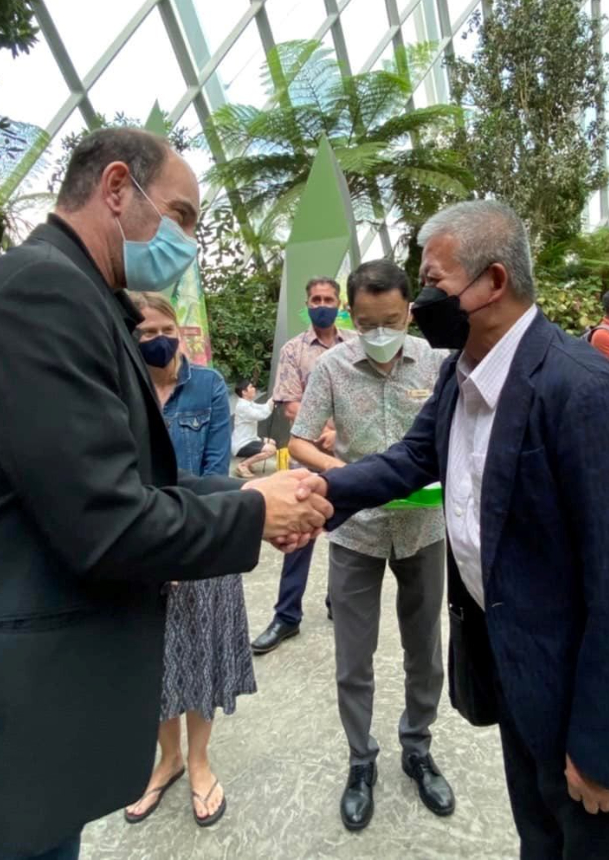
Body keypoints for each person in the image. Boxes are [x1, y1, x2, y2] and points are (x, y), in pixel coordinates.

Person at [0, 127, 330, 860]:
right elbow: (105, 521)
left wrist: (252, 493)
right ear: (115, 188)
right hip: (2, 707)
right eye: (181, 215)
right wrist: (253, 511)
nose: (187, 241)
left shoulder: (74, 293)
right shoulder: (42, 294)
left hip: (25, 699)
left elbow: (117, 478)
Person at [313, 202, 609, 859]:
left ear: (493, 282)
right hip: (528, 686)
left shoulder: (585, 393)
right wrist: (319, 495)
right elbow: (412, 458)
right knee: (541, 844)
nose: (423, 302)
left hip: (599, 718)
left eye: (434, 282)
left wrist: (606, 747)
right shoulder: (463, 375)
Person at [288, 259, 454, 833]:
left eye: (391, 321)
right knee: (353, 657)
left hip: (423, 529)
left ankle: (418, 748)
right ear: (350, 317)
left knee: (424, 649)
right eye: (365, 324)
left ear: (410, 311)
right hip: (356, 530)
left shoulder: (436, 361)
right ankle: (361, 761)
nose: (379, 333)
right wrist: (348, 477)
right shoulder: (332, 366)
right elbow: (300, 440)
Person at [122, 292, 255, 829]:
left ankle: (198, 761)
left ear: (180, 331)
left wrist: (184, 549)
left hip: (201, 539)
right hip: (143, 544)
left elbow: (214, 471)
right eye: (144, 333)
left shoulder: (208, 386)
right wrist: (155, 549)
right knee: (154, 663)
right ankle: (168, 759)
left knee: (201, 657)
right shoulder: (121, 388)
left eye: (165, 330)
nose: (157, 340)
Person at [250, 277, 356, 655]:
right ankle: (287, 616)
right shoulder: (294, 349)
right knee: (299, 533)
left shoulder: (355, 345)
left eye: (328, 299)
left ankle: (337, 601)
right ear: (307, 304)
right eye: (316, 299)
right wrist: (325, 431)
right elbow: (289, 404)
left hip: (349, 456)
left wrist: (340, 432)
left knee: (347, 533)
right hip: (306, 456)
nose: (322, 305)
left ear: (339, 304)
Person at [231, 379, 277, 478]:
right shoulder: (243, 407)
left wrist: (274, 398)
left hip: (251, 439)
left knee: (272, 442)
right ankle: (243, 465)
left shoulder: (248, 403)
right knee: (271, 450)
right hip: (242, 444)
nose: (254, 389)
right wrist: (273, 400)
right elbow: (262, 415)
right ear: (244, 392)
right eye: (251, 387)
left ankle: (247, 462)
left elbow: (264, 407)